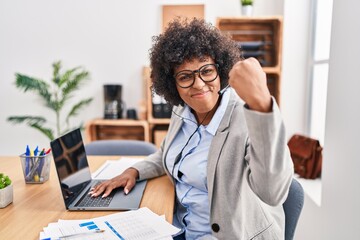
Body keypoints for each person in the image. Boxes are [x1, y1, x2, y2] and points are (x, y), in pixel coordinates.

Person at [90, 18, 294, 239]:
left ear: (221, 69)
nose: (198, 84)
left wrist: (262, 104)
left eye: (206, 71)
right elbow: (166, 155)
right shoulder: (182, 111)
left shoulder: (248, 116)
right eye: (185, 77)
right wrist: (133, 171)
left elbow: (273, 192)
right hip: (180, 227)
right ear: (173, 84)